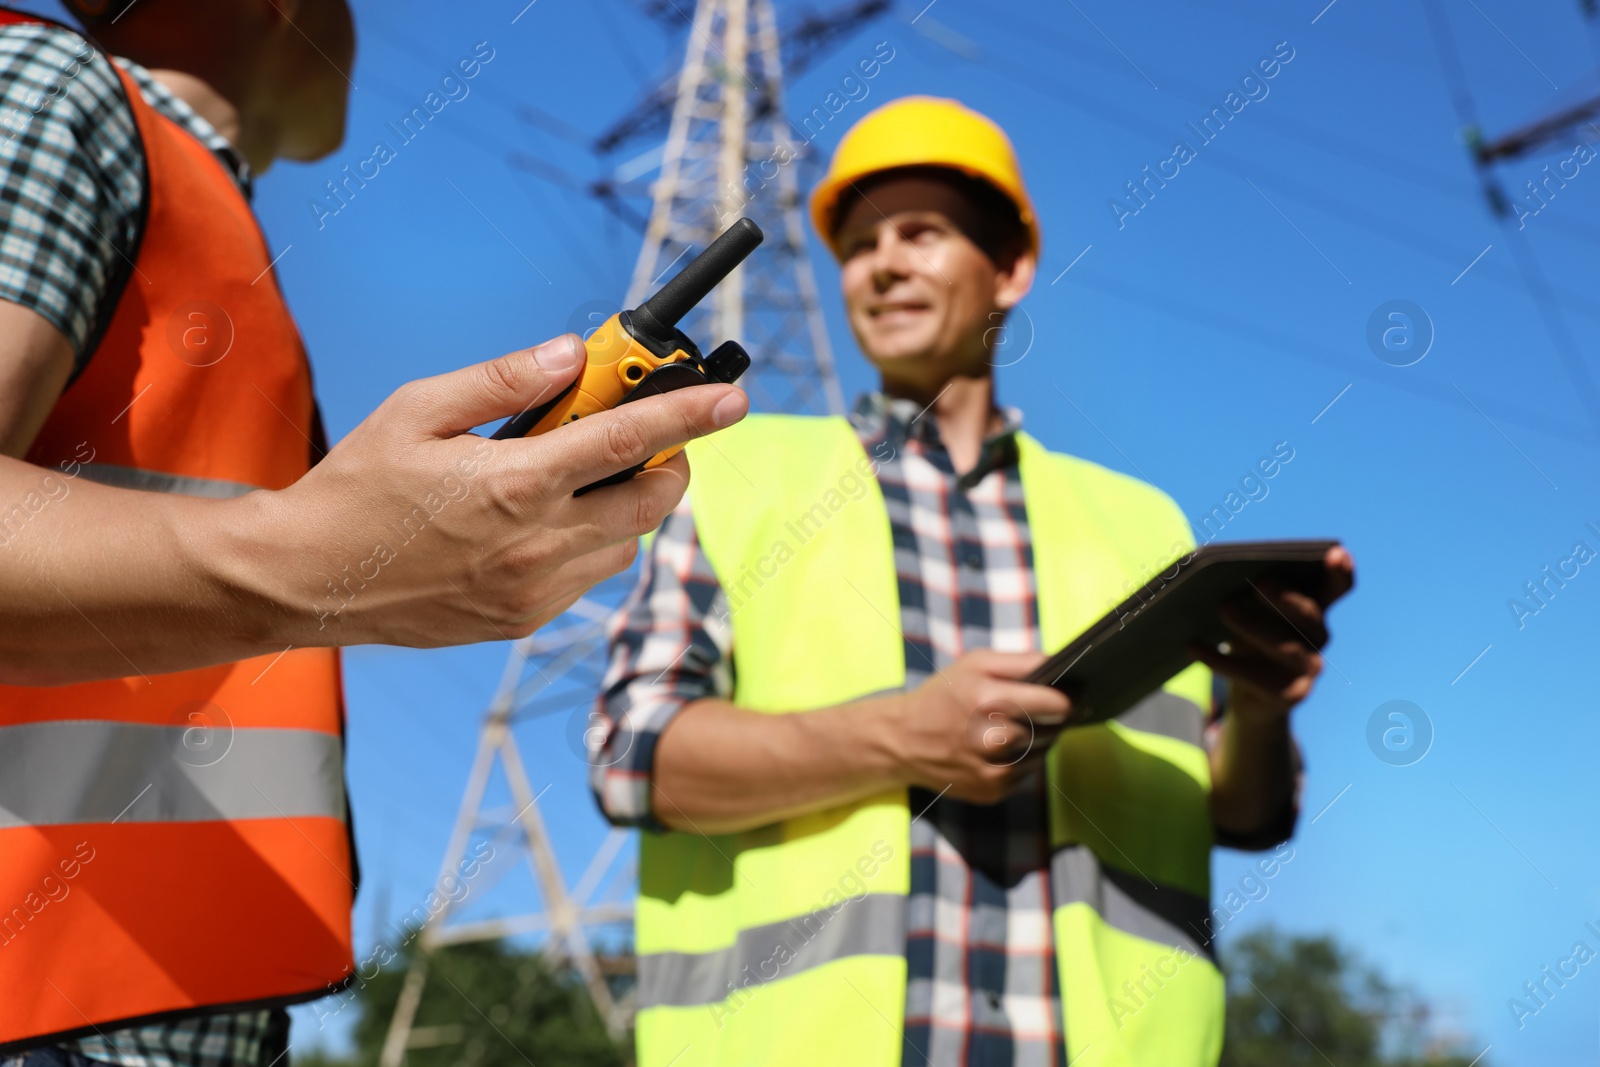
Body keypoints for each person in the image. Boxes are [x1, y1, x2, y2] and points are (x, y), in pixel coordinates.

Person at [0, 1, 746, 1062]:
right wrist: (319, 563)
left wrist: (327, 566)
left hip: (147, 1006)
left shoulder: (199, 211)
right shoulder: (51, 93)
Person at [591, 95, 1355, 1067]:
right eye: (860, 244)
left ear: (1011, 268)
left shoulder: (1142, 522)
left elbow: (1247, 813)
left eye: (921, 233)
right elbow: (628, 753)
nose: (884, 263)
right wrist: (902, 735)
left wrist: (1260, 703)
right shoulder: (732, 473)